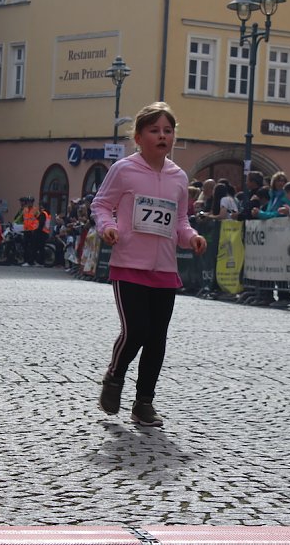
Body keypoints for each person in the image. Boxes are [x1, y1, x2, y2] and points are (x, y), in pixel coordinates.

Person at [91, 101, 207, 427]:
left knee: (157, 338)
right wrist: (108, 227)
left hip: (165, 269)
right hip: (129, 263)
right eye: (154, 130)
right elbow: (102, 205)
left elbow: (181, 222)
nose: (162, 136)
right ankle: (114, 377)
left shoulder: (179, 177)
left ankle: (144, 403)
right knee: (136, 330)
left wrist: (192, 237)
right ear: (139, 137)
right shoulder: (124, 170)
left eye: (167, 131)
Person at [21, 196, 39, 266]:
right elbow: (23, 219)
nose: (29, 203)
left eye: (31, 202)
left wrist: (34, 229)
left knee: (32, 247)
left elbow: (37, 221)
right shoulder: (24, 210)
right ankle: (26, 261)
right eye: (28, 202)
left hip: (32, 231)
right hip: (26, 230)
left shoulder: (35, 210)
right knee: (25, 246)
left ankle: (31, 261)